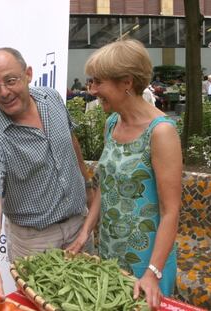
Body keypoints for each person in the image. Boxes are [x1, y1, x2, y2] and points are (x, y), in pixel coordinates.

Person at [0, 47, 95, 307]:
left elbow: (71, 141)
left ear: (27, 74)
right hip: (35, 242)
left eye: (10, 80)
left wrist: (87, 183)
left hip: (78, 226)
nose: (4, 92)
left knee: (90, 300)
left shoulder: (51, 98)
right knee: (43, 305)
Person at [69, 39, 182, 310]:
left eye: (98, 82)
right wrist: (85, 232)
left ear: (126, 82)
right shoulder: (111, 124)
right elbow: (104, 185)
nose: (93, 90)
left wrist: (153, 273)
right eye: (91, 82)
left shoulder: (161, 132)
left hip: (147, 259)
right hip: (110, 250)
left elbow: (171, 211)